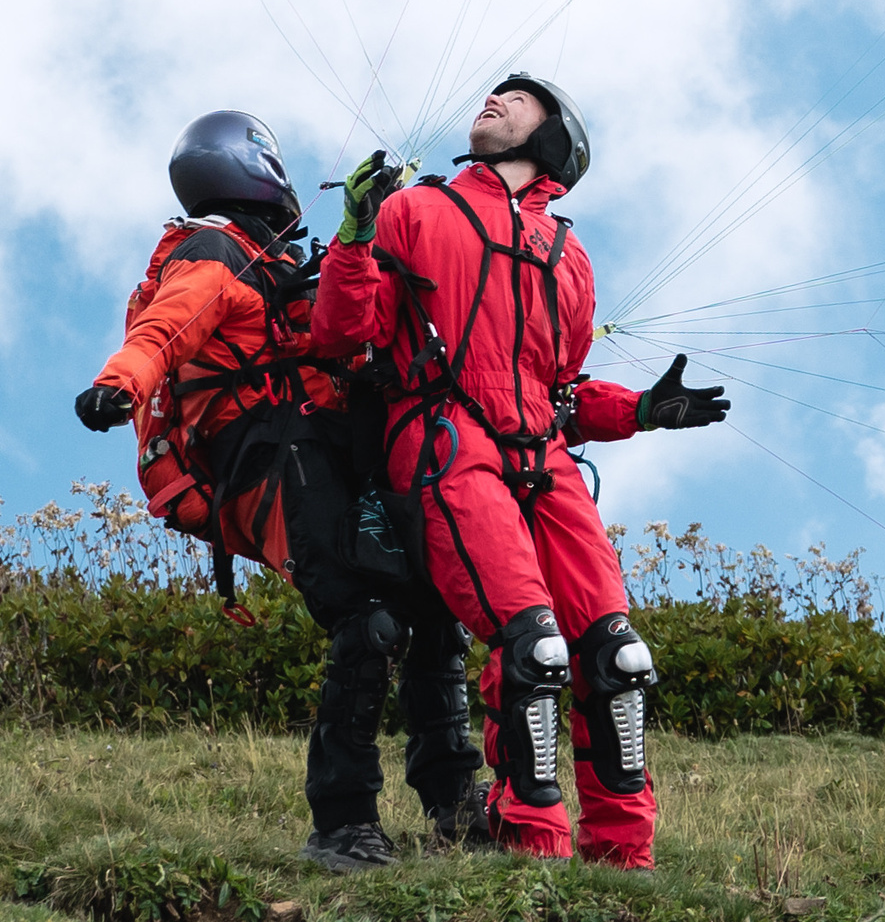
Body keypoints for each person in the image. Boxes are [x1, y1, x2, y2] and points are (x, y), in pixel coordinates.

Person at [312, 75, 731, 868]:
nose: (494, 100)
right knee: (533, 645)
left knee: (616, 655)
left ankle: (624, 859)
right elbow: (342, 335)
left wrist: (642, 409)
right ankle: (533, 845)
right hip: (446, 439)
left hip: (544, 458)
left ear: (553, 138)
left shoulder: (569, 256)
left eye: (518, 98)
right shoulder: (415, 210)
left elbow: (562, 393)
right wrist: (356, 235)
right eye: (494, 94)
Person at [72, 111, 483, 872]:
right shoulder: (216, 250)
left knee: (429, 605)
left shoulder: (273, 259)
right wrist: (120, 384)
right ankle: (343, 824)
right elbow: (170, 324)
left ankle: (457, 805)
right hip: (267, 456)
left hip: (322, 447)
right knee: (366, 617)